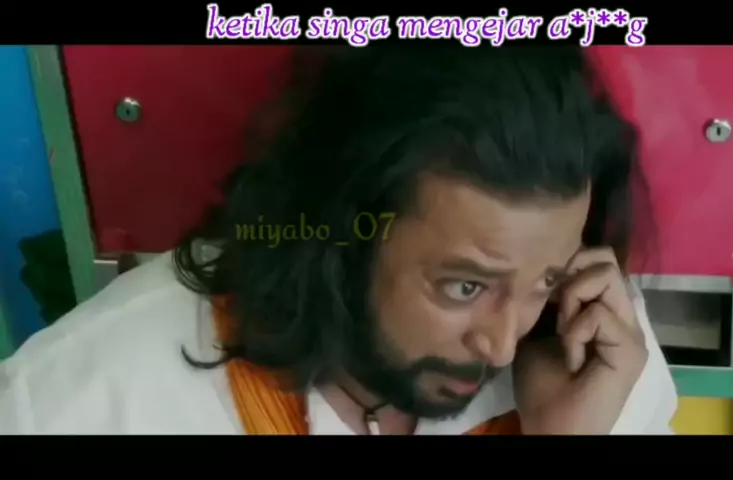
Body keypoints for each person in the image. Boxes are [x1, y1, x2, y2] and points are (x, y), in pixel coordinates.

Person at [0, 46, 677, 435]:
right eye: (465, 286)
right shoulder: (92, 399)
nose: (502, 346)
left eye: (547, 281)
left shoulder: (600, 363)